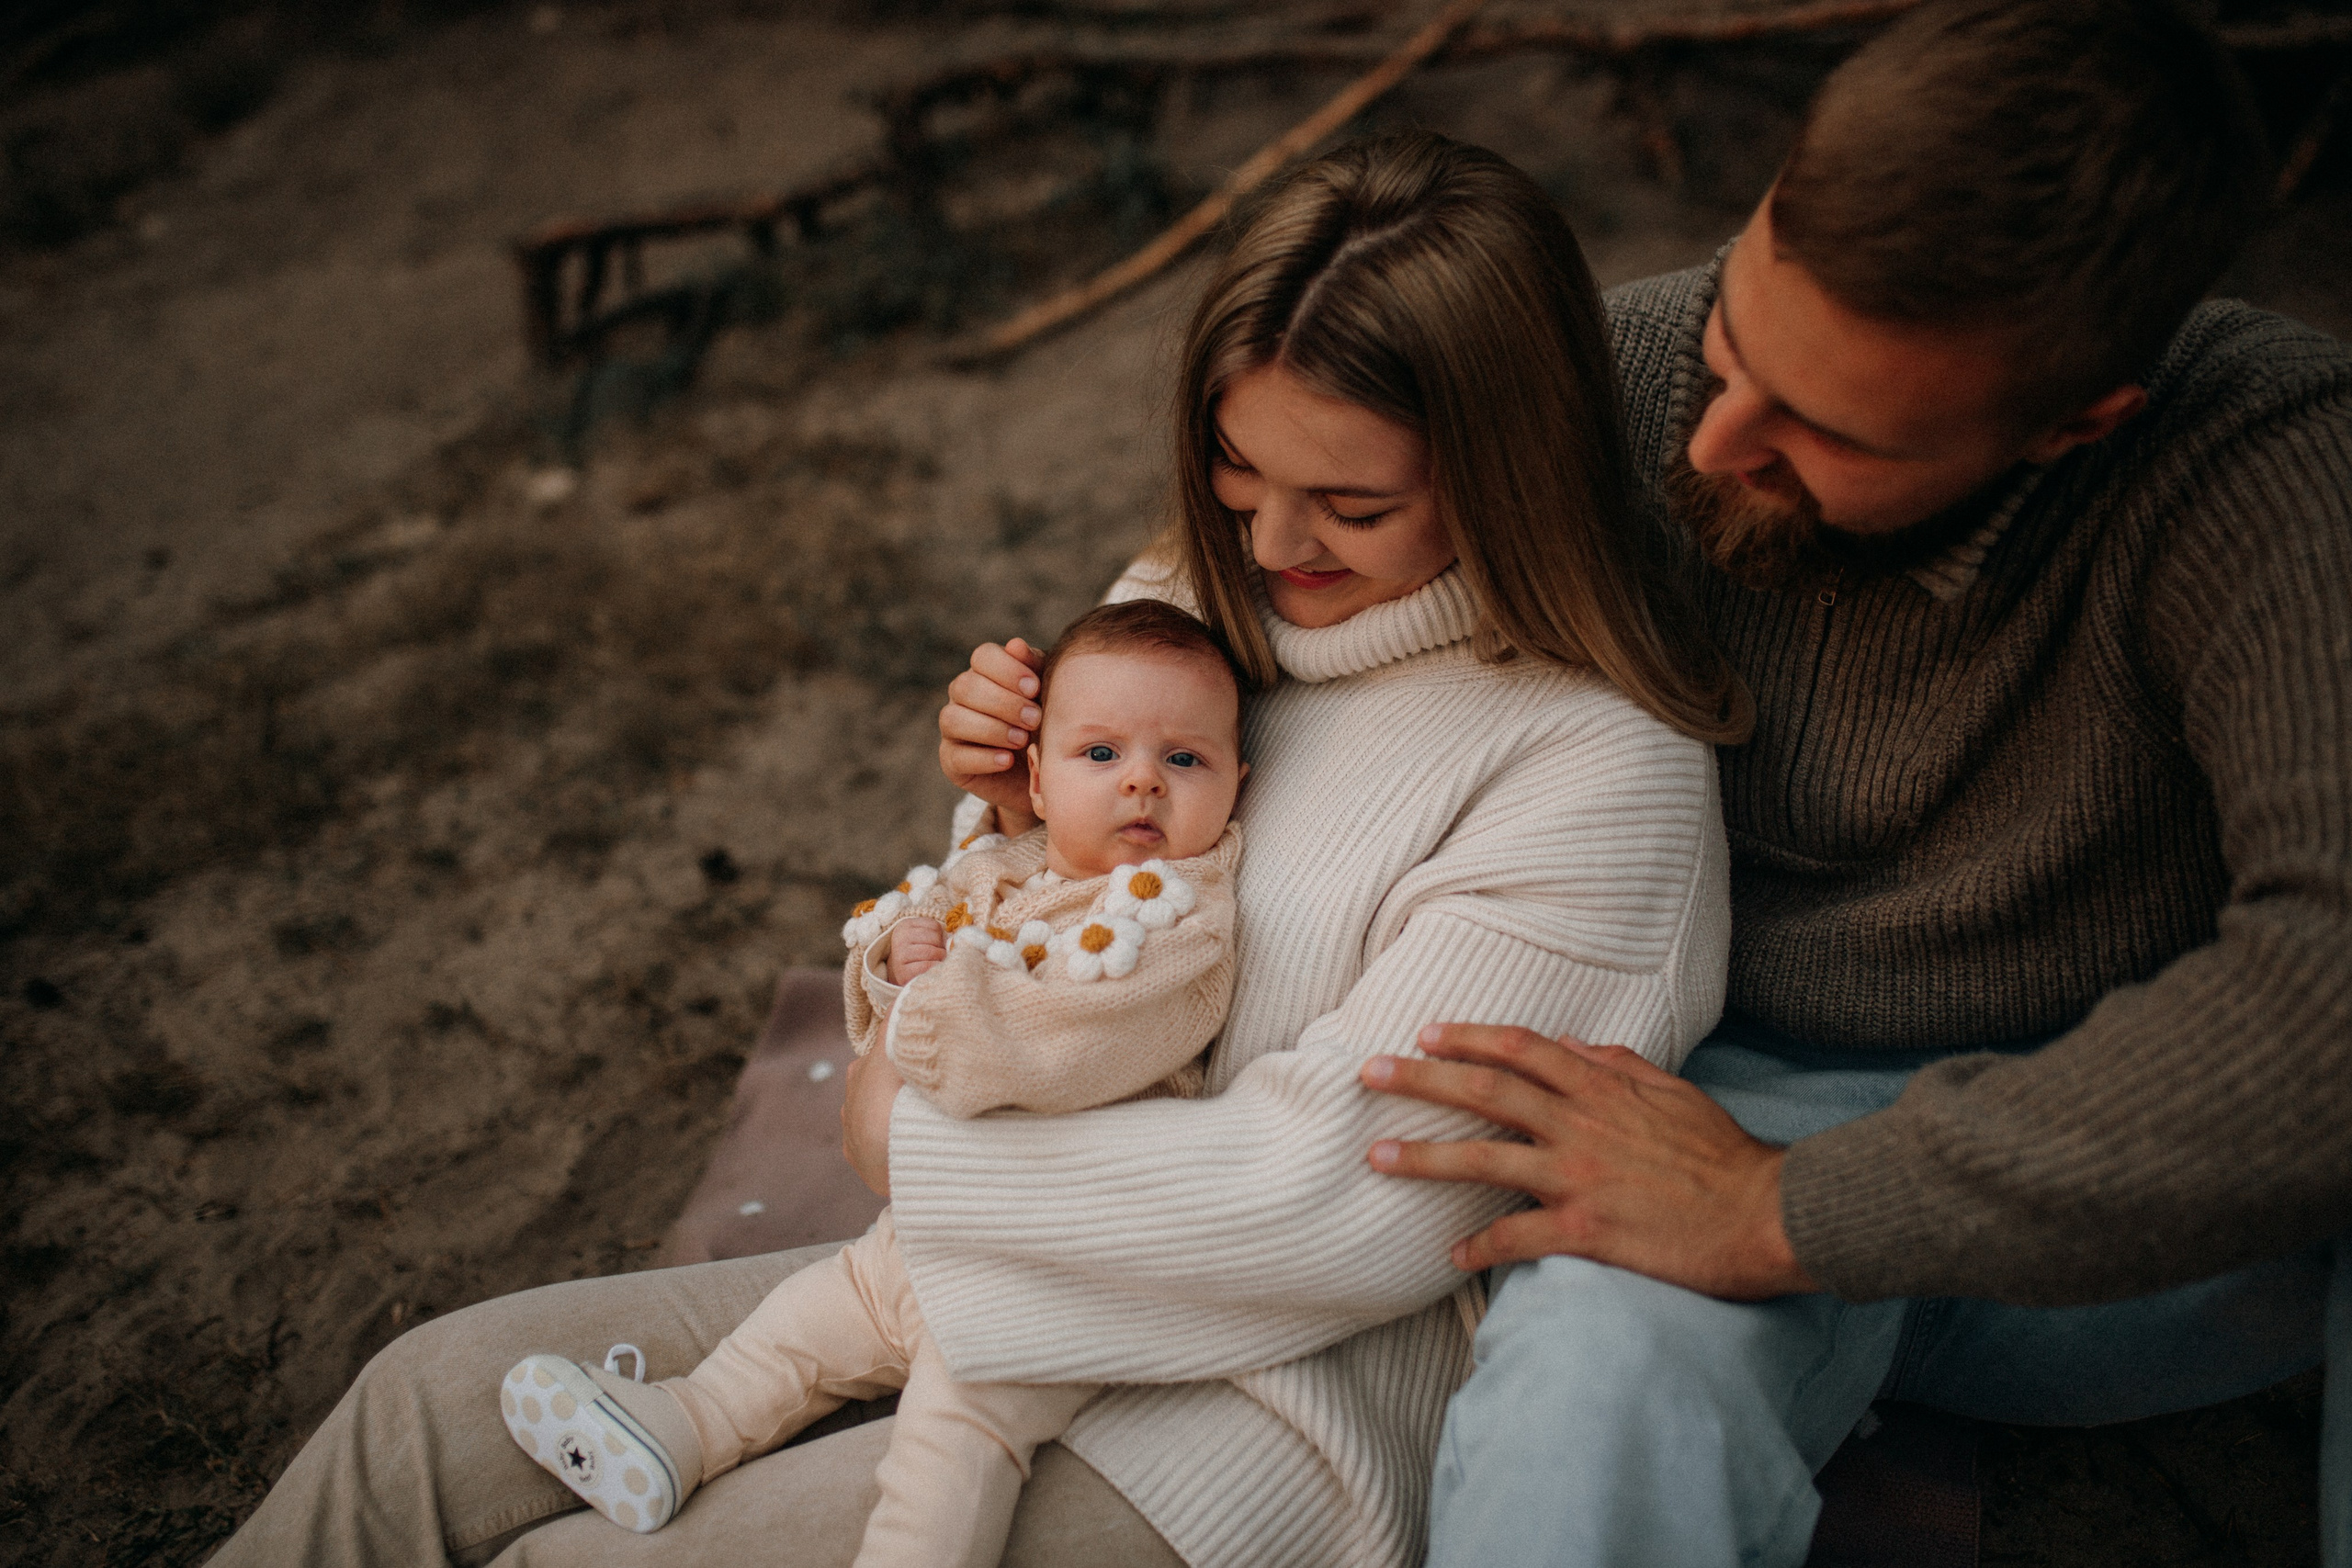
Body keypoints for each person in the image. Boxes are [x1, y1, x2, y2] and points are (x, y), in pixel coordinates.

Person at [203, 131, 1747, 1568]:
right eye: (1237, 469)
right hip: (951, 1272)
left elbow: (1333, 1205)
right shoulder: (1200, 594)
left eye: (1350, 502)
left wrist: (910, 1139)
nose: (1274, 544)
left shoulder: (1594, 772)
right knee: (421, 1405)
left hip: (1248, 1413)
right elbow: (1034, 940)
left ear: (1508, 468)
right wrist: (1011, 816)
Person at [1359, 4, 2352, 1565]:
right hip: (1700, 1111)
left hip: (2134, 1178)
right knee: (1597, 1376)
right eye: (1738, 342)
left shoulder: (2274, 464)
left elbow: (2327, 993)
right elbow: (1276, 597)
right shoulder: (1613, 362)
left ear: (2077, 422)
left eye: (1827, 428)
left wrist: (1790, 1209)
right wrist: (1062, 729)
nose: (1717, 440)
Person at [497, 598, 1248, 1567]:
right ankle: (684, 1425)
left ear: (1238, 783)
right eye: (1100, 753)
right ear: (1036, 777)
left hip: (1053, 1271)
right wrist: (896, 965)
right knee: (805, 1324)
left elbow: (1062, 1045)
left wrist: (927, 1002)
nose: (1142, 779)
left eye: (1184, 759)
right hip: (924, 1233)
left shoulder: (1182, 927)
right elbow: (895, 971)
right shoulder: (1003, 865)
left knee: (948, 1445)